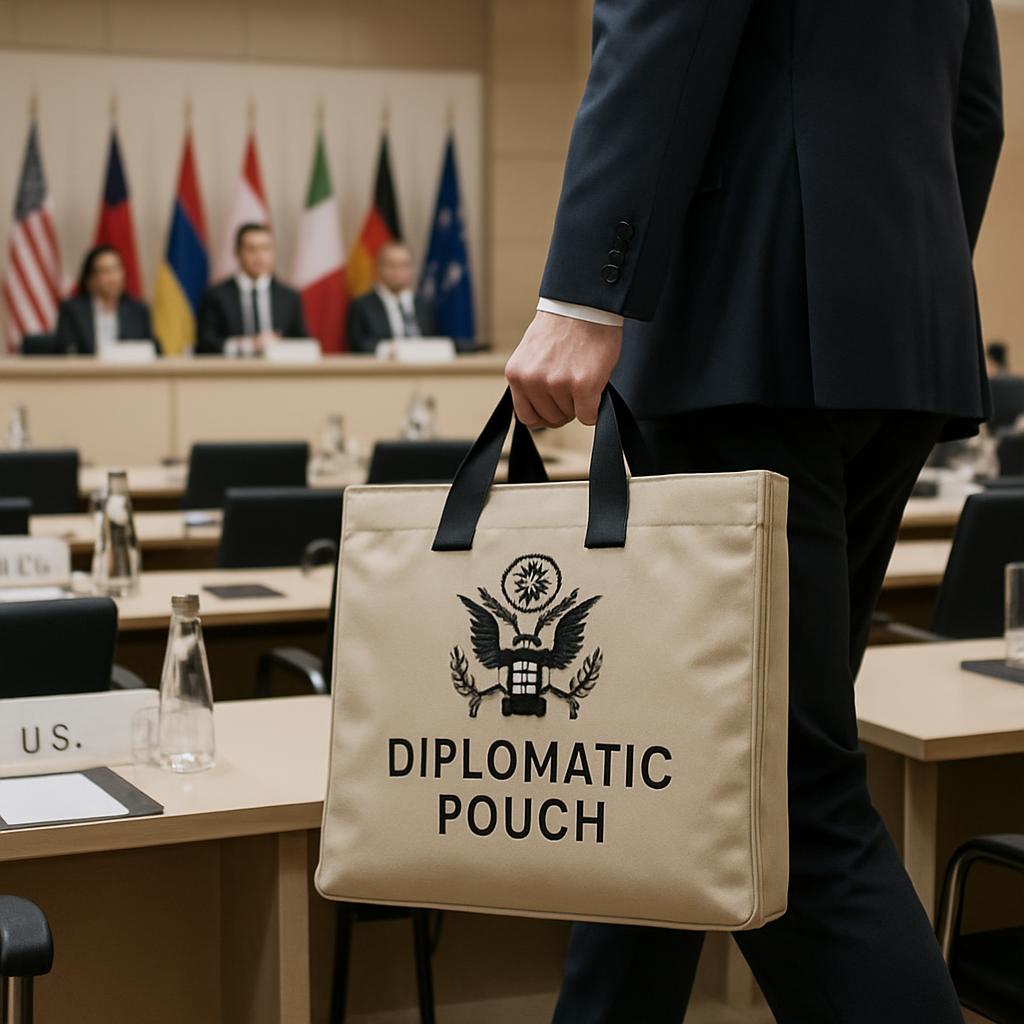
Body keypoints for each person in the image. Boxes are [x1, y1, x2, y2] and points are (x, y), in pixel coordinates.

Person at [504, 2, 1003, 1022]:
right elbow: (976, 110)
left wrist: (583, 297)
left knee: (782, 792)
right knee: (674, 757)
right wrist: (887, 273)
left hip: (739, 342)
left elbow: (664, 23)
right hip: (890, 343)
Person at [196, 223, 307, 355]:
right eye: (251, 249)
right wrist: (248, 345)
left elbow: (303, 343)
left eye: (265, 249)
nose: (259, 256)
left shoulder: (289, 297)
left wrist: (278, 344)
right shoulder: (216, 295)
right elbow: (205, 344)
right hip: (231, 372)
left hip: (277, 373)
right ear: (237, 253)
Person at [55, 245, 158, 355]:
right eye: (105, 271)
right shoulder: (72, 311)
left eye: (116, 269)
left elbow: (154, 352)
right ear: (90, 279)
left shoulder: (138, 312)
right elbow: (65, 352)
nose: (114, 278)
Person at [346, 241, 438, 353]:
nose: (397, 271)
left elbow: (435, 341)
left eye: (404, 265)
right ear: (378, 268)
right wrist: (389, 349)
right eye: (391, 265)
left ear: (412, 269)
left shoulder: (425, 306)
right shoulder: (362, 306)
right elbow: (358, 345)